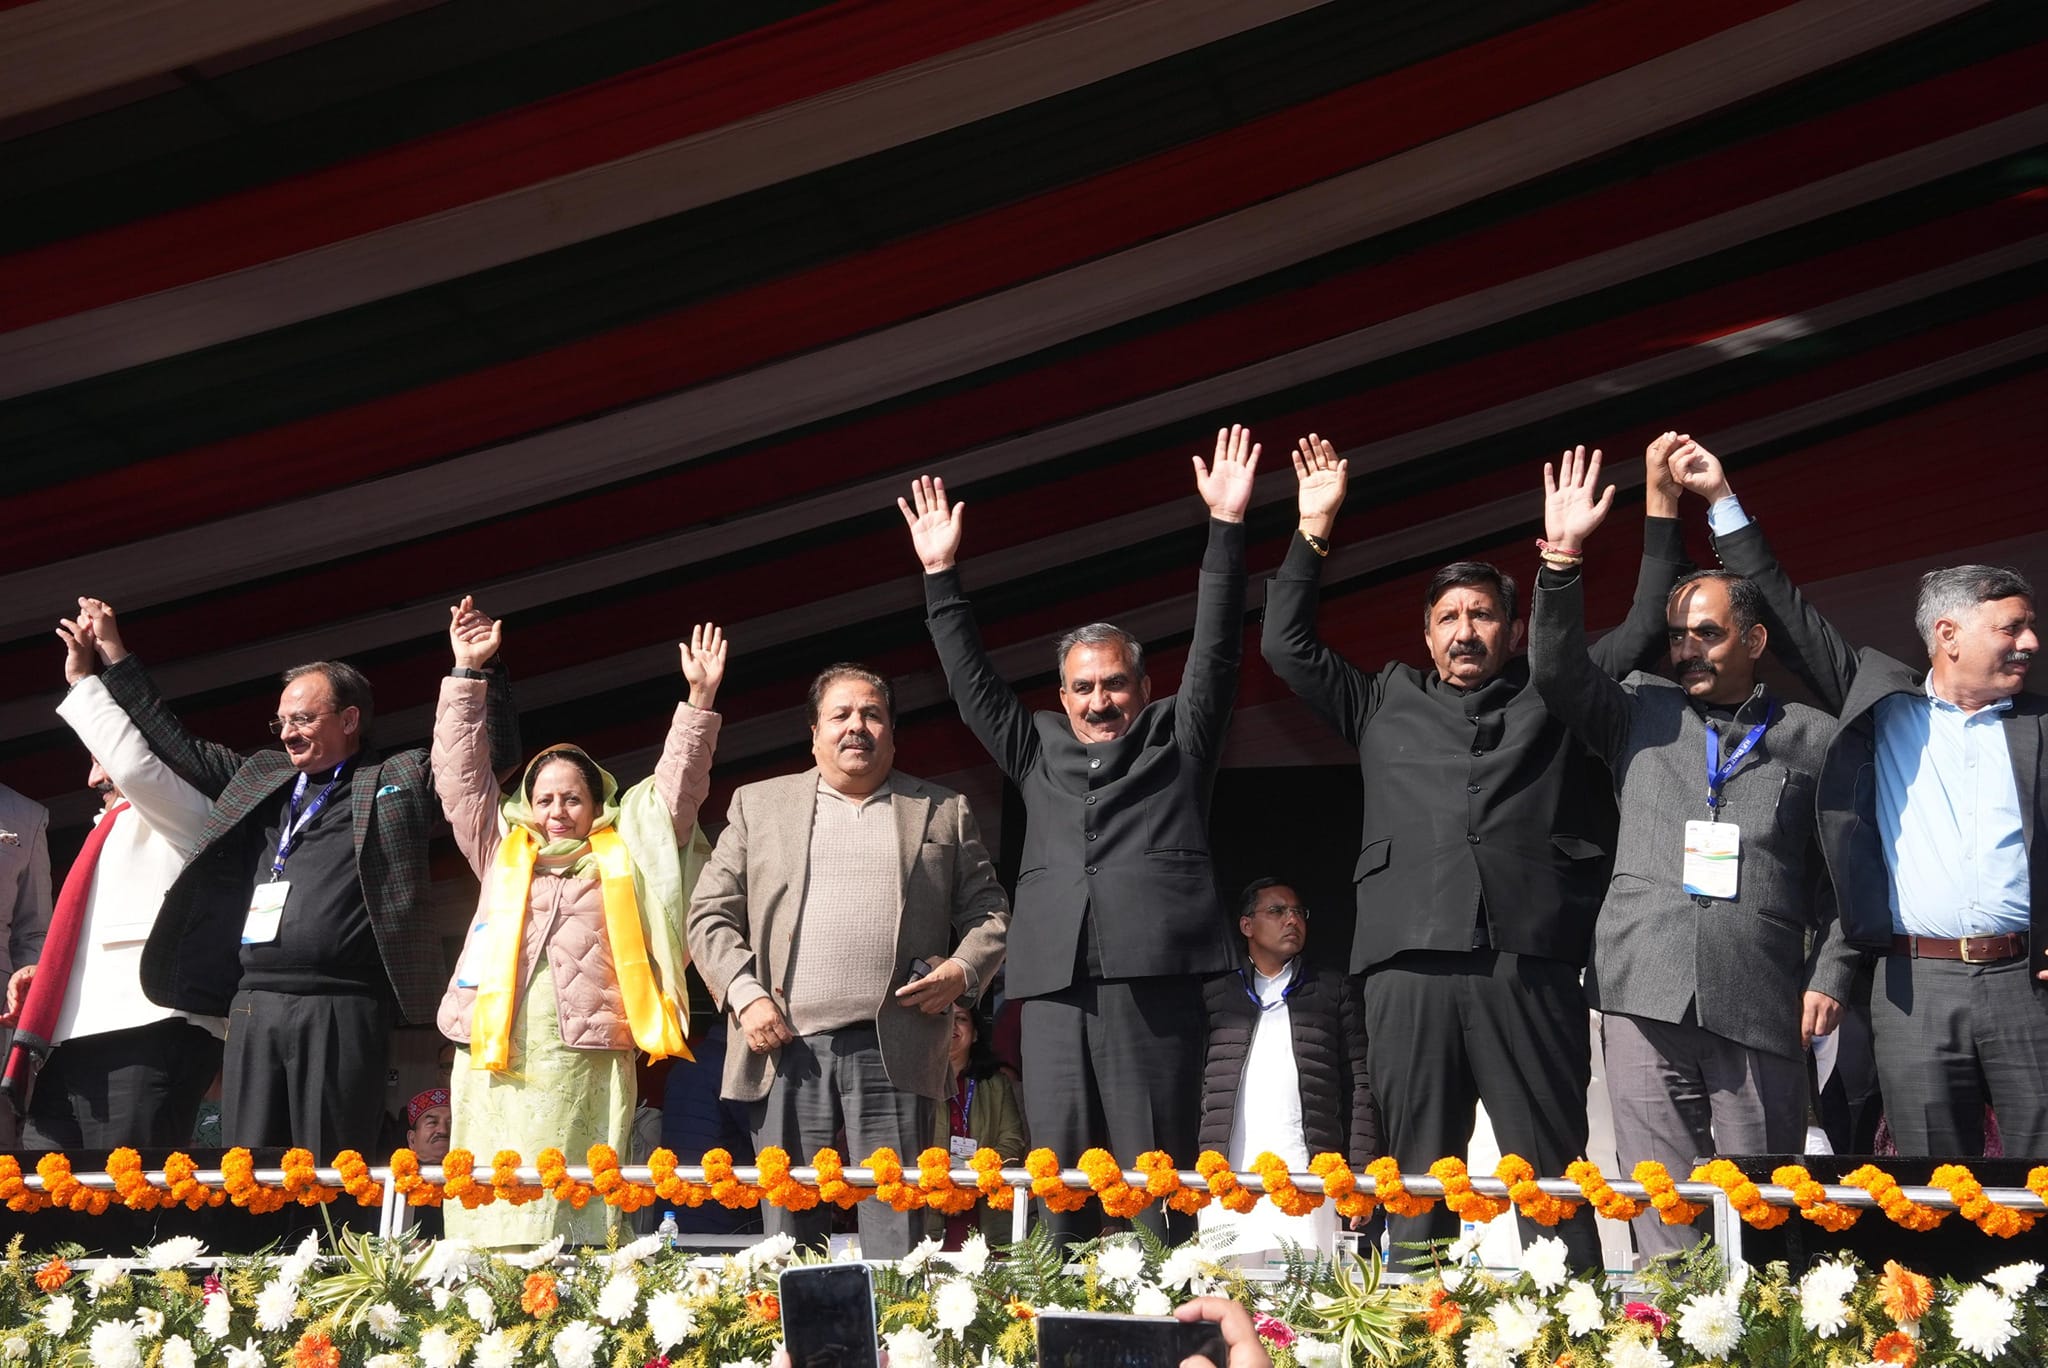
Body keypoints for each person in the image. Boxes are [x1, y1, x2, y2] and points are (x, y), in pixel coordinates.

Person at [1260, 433, 1691, 1268]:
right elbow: (1285, 647)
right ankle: (1418, 1327)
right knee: (1417, 1173)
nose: (1465, 631)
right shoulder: (1382, 697)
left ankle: (1573, 1336)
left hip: (1523, 959)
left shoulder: (1554, 692)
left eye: (1483, 615)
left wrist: (1660, 511)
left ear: (1514, 627)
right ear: (1425, 635)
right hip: (1406, 963)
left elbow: (1642, 630)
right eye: (1449, 618)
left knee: (1551, 1173)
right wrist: (1311, 531)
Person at [902, 426, 1256, 1239]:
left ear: (1144, 685)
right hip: (1053, 987)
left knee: (1151, 1177)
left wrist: (1227, 530)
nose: (1099, 702)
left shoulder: (1181, 735)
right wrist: (939, 577)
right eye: (1082, 688)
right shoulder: (1036, 744)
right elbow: (971, 688)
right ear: (1061, 696)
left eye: (1114, 685)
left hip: (1153, 982)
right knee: (1056, 1175)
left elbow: (1219, 654)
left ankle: (1171, 1319)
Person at [1527, 447, 1853, 1258]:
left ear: (1754, 638)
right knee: (1660, 1206)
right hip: (1645, 985)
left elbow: (1848, 878)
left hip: (1760, 990)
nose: (1687, 650)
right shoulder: (1637, 709)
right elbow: (1555, 669)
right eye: (1677, 636)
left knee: (1765, 1209)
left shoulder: (1812, 738)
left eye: (1707, 634)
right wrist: (1562, 558)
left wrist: (1831, 974)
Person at [1682, 440, 2045, 1156]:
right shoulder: (1883, 708)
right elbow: (1787, 614)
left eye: (2030, 628)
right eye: (2012, 628)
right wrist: (1721, 499)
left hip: (2025, 985)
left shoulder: (2041, 723)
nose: (2030, 643)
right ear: (1948, 635)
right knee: (1932, 1191)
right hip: (1913, 984)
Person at [79, 595, 521, 1155]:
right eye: (282, 720)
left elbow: (487, 758)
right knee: (250, 1165)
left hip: (343, 1003)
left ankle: (333, 1248)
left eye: (303, 719)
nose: (288, 733)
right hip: (253, 1000)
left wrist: (479, 669)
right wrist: (115, 654)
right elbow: (173, 743)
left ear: (350, 719)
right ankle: (251, 1248)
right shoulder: (260, 777)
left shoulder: (398, 776)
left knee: (331, 1162)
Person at [687, 663, 1010, 1258]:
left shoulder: (942, 809)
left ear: (892, 731)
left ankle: (897, 1344)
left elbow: (989, 912)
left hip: (898, 1047)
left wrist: (962, 973)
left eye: (871, 714)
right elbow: (708, 915)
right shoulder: (759, 805)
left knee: (897, 1234)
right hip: (784, 1046)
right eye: (840, 714)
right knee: (789, 1234)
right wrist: (745, 994)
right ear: (814, 732)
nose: (855, 726)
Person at [436, 620, 721, 1247]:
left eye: (571, 799)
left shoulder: (626, 851)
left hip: (582, 1055)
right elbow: (460, 781)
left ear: (597, 806)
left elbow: (676, 793)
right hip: (494, 1049)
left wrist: (698, 704)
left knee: (573, 1199)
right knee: (490, 1193)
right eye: (544, 798)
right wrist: (466, 676)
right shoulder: (500, 848)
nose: (556, 811)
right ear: (526, 806)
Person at [0, 612, 226, 1149]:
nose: (93, 778)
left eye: (100, 760)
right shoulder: (110, 830)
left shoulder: (188, 811)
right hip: (73, 1035)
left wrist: (84, 681)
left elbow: (136, 766)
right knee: (43, 1188)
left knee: (127, 1199)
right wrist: (49, 966)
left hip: (147, 1028)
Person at [1198, 878, 1377, 1262]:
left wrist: (1360, 1178)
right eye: (1277, 911)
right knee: (1228, 1295)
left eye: (1298, 912)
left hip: (1309, 1175)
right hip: (1228, 1175)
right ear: (1247, 926)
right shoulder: (1217, 994)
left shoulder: (1332, 990)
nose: (1292, 920)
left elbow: (1361, 1084)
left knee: (1306, 1294)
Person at [925, 1001, 1028, 1248]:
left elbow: (1013, 1140)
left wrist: (978, 1173)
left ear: (975, 1034)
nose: (951, 1025)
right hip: (931, 1207)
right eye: (944, 1017)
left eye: (961, 1019)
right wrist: (944, 1180)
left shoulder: (996, 1084)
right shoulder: (914, 1086)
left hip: (986, 1206)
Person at [405, 1087, 451, 1164]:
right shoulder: (393, 1175)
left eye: (451, 1123)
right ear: (412, 1140)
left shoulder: (476, 1174)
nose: (443, 1130)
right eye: (432, 1122)